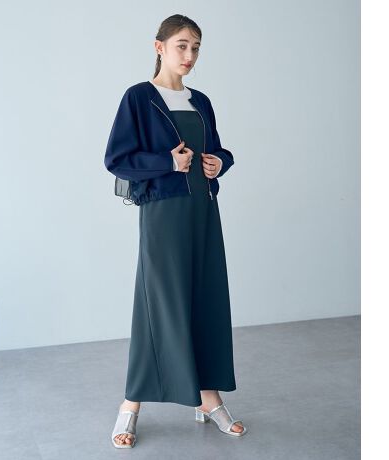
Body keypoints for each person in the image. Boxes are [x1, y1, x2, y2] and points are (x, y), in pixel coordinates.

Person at [104, 14, 247, 448]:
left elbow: (217, 148)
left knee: (205, 299)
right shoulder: (139, 98)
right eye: (182, 45)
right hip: (163, 215)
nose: (190, 55)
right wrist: (167, 162)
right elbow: (117, 159)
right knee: (159, 305)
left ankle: (208, 399)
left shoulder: (200, 101)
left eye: (196, 47)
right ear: (159, 47)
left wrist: (220, 162)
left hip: (203, 211)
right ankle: (131, 404)